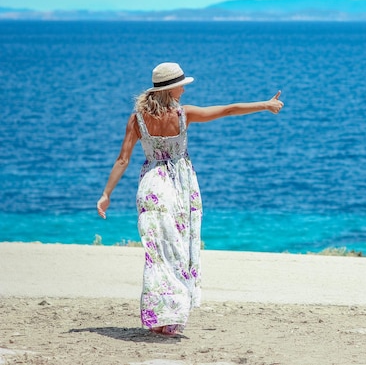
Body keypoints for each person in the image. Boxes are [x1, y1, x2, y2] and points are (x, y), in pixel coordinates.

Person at [96, 62, 284, 337]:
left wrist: (106, 194)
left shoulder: (136, 118)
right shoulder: (184, 114)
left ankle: (159, 316)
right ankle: (170, 318)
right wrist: (265, 105)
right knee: (179, 251)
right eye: (181, 85)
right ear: (171, 89)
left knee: (157, 255)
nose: (184, 89)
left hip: (151, 186)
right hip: (179, 187)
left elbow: (123, 159)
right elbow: (228, 109)